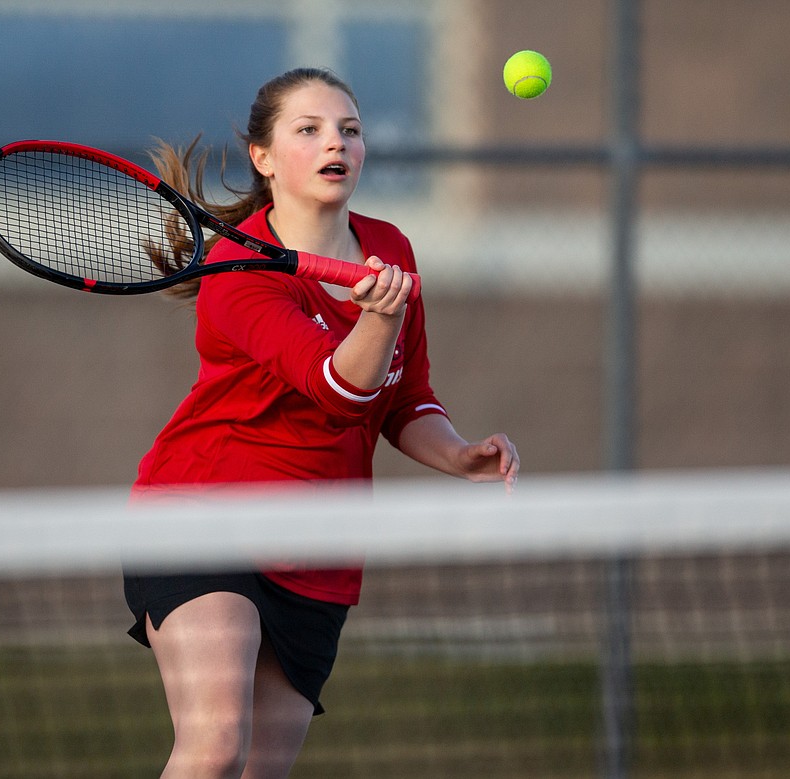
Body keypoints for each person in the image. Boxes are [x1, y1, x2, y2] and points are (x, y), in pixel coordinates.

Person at [124, 67, 519, 778]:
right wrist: (380, 318)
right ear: (264, 157)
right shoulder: (237, 268)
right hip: (201, 519)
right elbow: (340, 388)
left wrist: (459, 453)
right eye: (308, 129)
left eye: (350, 129)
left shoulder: (389, 248)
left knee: (258, 771)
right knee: (215, 748)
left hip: (319, 552)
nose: (335, 142)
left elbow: (402, 398)